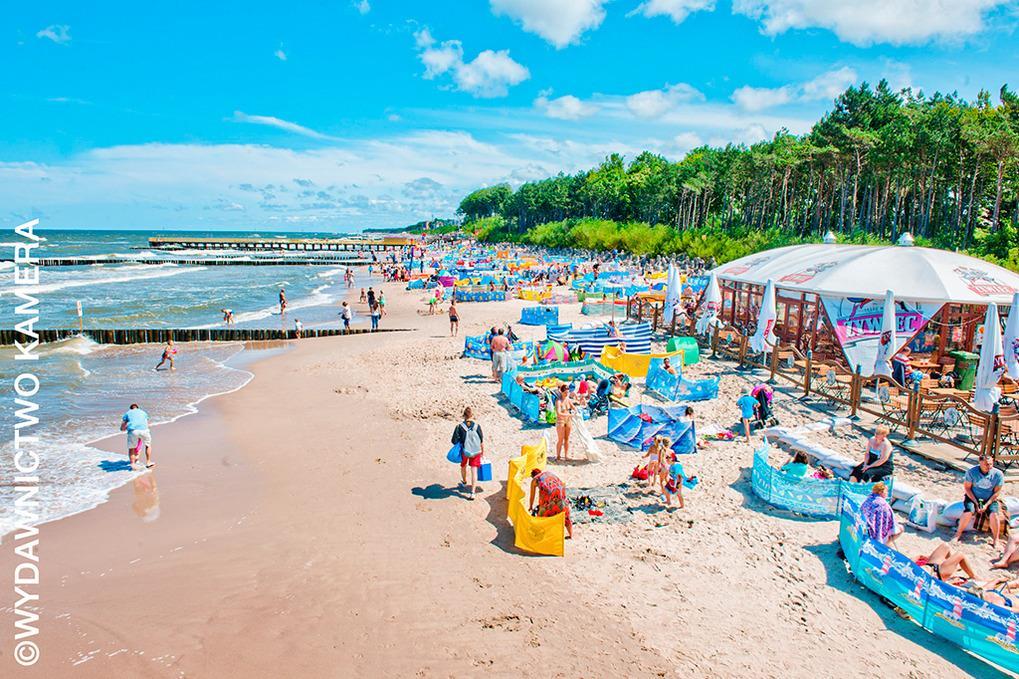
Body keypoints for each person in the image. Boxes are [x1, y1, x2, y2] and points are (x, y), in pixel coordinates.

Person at [953, 454, 1005, 550]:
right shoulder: (971, 472)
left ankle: (996, 539)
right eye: (986, 464)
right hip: (973, 496)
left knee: (994, 514)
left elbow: (997, 492)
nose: (989, 466)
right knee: (969, 511)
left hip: (989, 498)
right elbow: (967, 488)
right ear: (980, 463)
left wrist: (987, 504)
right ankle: (957, 534)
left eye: (991, 464)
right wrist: (976, 503)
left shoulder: (998, 474)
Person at [451, 407, 485, 500]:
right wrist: (482, 452)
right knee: (474, 471)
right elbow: (481, 441)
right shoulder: (477, 426)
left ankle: (464, 481)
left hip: (465, 451)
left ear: (464, 416)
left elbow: (454, 441)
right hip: (476, 451)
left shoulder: (459, 427)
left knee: (463, 466)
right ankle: (472, 492)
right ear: (472, 415)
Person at [528, 468, 573, 539]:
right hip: (561, 493)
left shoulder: (535, 479)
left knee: (542, 515)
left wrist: (531, 506)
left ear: (533, 475)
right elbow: (562, 483)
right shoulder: (548, 473)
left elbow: (532, 495)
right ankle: (570, 535)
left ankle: (538, 534)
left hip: (549, 496)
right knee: (565, 515)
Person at [860, 482, 902, 547]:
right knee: (900, 528)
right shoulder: (883, 504)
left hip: (862, 526)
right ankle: (885, 544)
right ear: (881, 492)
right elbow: (890, 519)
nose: (887, 493)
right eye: (886, 491)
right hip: (871, 533)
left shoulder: (869, 498)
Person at [121, 403, 154, 469]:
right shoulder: (143, 412)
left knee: (131, 448)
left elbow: (124, 424)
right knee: (148, 445)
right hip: (144, 430)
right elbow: (147, 422)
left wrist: (122, 429)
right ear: (137, 408)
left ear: (131, 408)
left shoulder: (128, 413)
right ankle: (148, 462)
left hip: (133, 431)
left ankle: (133, 464)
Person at [554, 384, 576, 461]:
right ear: (561, 392)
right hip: (561, 421)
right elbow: (559, 413)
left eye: (568, 392)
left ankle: (566, 455)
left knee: (567, 438)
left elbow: (573, 407)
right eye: (565, 393)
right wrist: (569, 414)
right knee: (560, 439)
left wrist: (576, 410)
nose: (567, 394)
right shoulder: (558, 401)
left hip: (568, 420)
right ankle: (558, 456)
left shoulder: (568, 399)